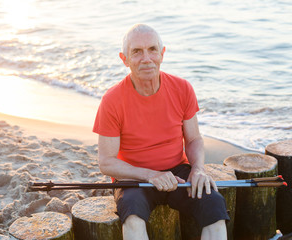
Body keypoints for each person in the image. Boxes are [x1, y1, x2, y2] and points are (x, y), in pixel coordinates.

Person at [93, 23, 229, 240]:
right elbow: (106, 162)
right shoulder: (112, 100)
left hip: (179, 172)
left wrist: (198, 169)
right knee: (132, 217)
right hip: (134, 177)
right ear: (124, 59)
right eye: (137, 51)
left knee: (214, 206)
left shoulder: (183, 88)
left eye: (152, 49)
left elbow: (194, 139)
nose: (146, 58)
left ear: (162, 54)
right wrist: (151, 175)